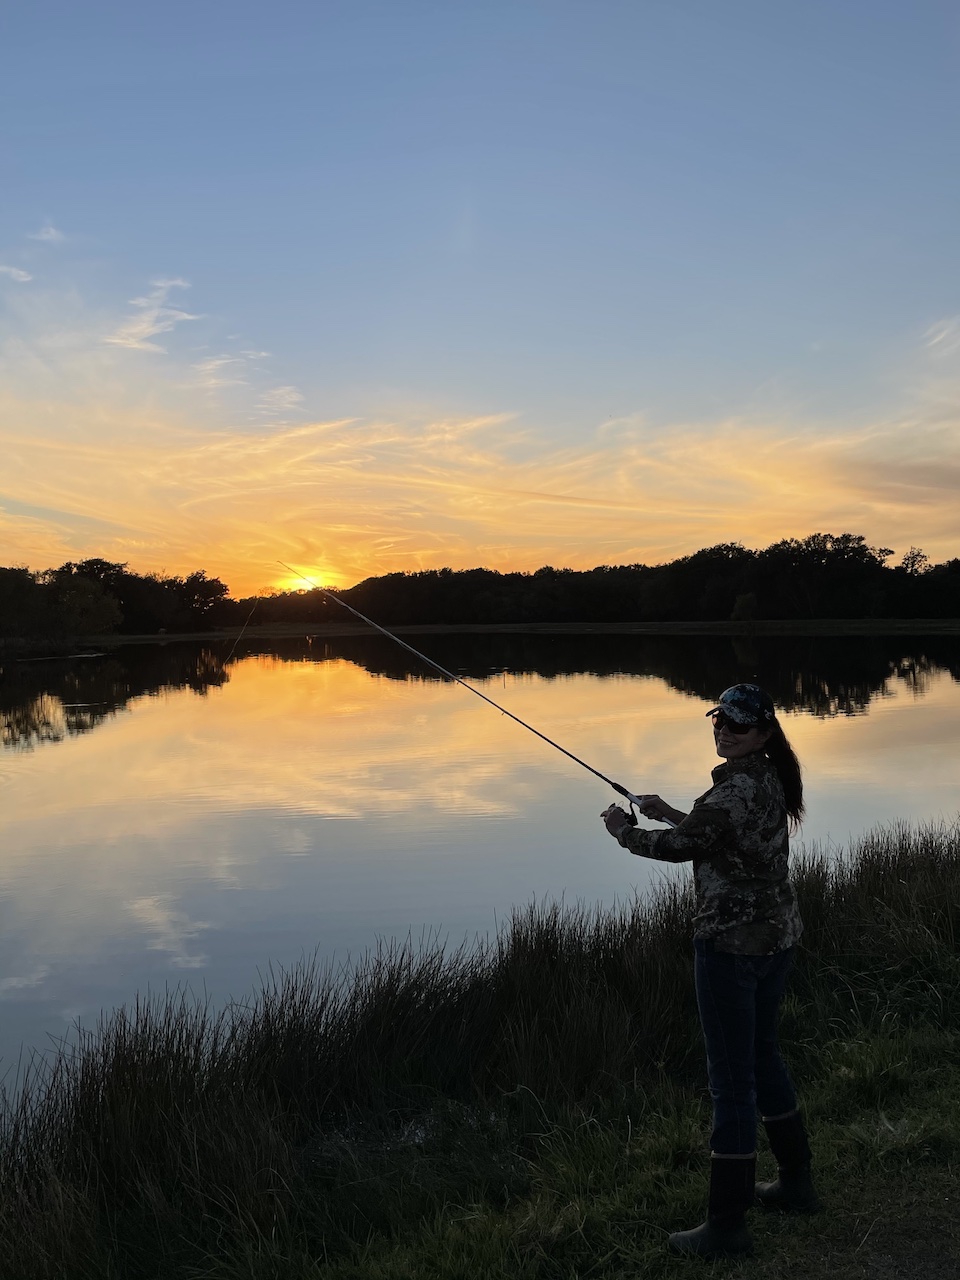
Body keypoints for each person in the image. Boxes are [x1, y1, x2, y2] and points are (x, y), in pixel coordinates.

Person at [601, 682, 819, 1259]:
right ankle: (797, 1185)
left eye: (738, 725)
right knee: (764, 1056)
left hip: (731, 946)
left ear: (765, 733)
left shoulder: (733, 793)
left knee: (731, 1083)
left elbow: (678, 849)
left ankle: (726, 1226)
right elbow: (717, 838)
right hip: (778, 939)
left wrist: (625, 832)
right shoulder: (769, 780)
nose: (724, 729)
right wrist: (669, 812)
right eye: (719, 720)